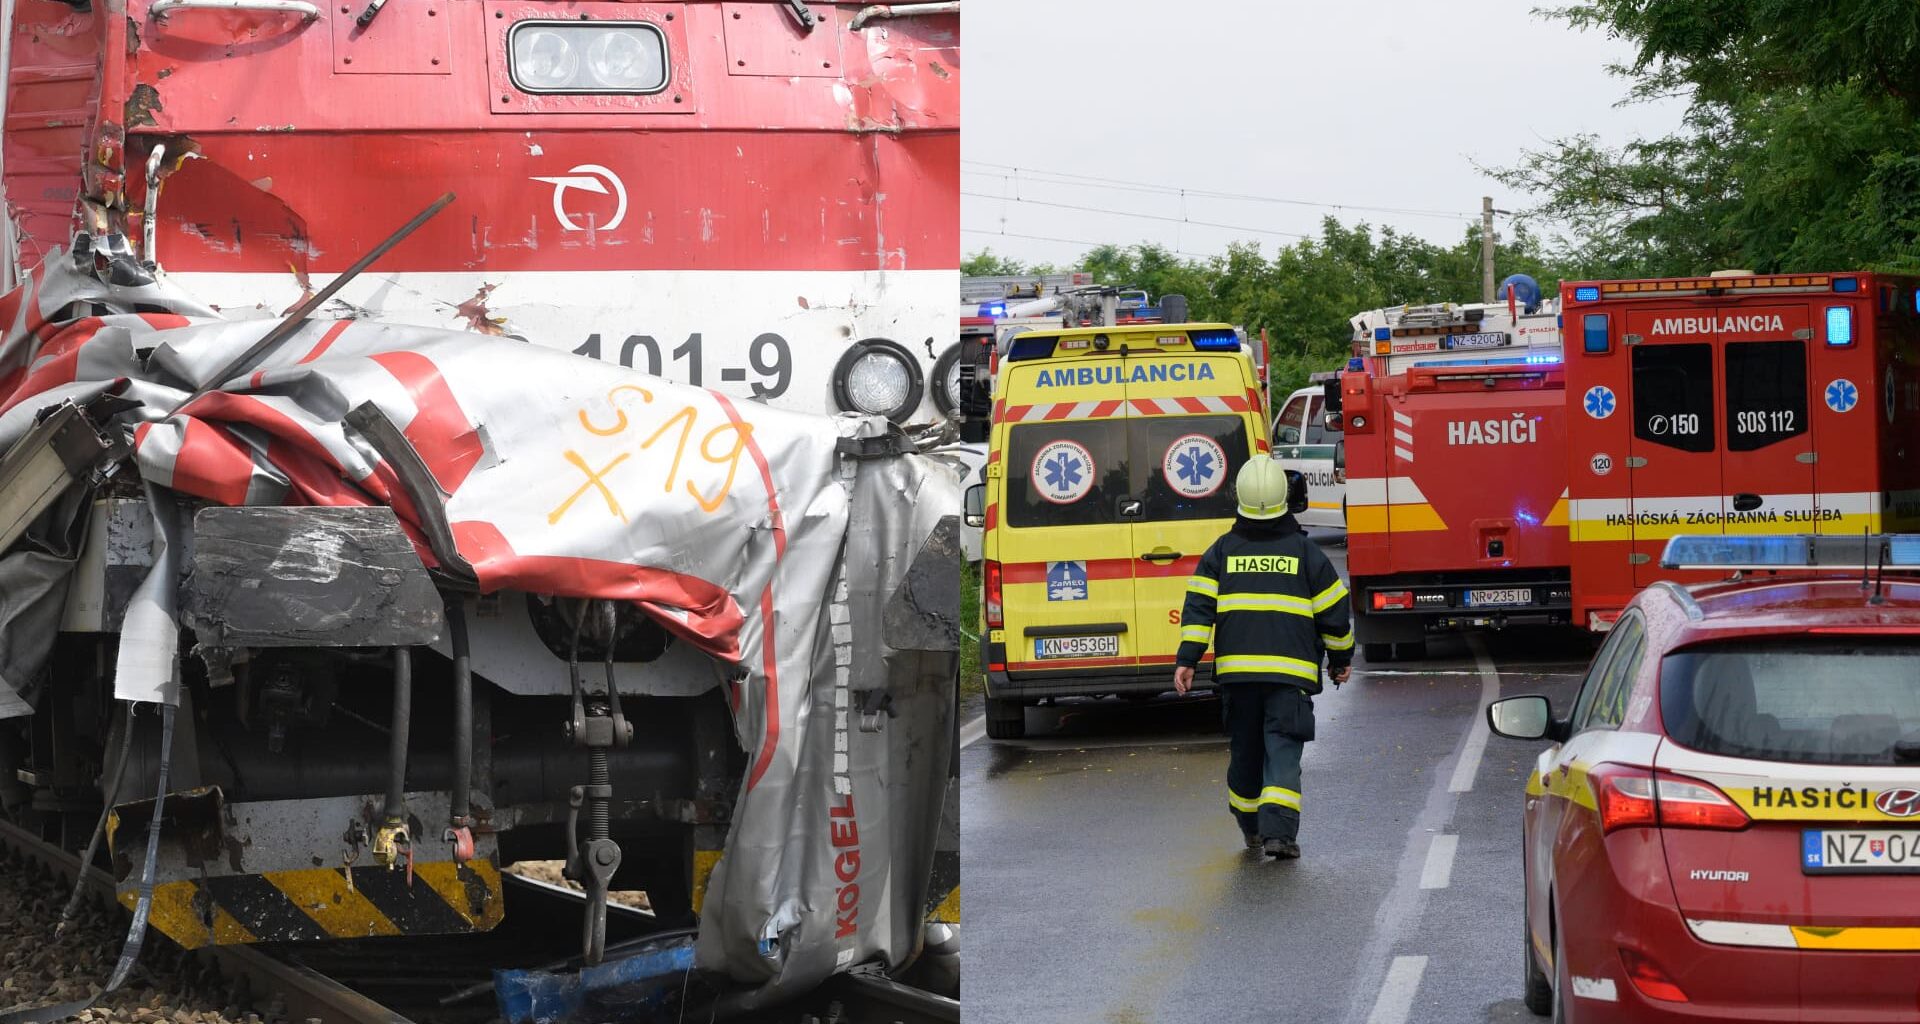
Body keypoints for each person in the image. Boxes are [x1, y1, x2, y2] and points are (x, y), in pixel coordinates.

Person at [1173, 456, 1353, 859]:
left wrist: (1188, 659)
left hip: (1238, 679)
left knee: (1246, 753)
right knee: (1283, 751)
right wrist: (1340, 660)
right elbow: (1334, 615)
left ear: (1239, 497)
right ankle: (1279, 836)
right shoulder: (1307, 555)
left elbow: (1198, 607)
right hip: (1289, 679)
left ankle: (1251, 827)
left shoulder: (1221, 552)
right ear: (1283, 499)